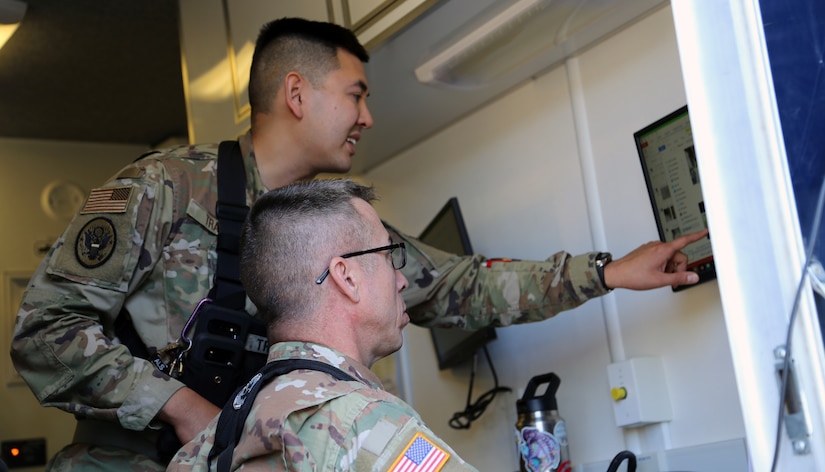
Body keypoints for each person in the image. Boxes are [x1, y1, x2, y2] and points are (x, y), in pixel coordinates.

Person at [10, 16, 707, 472]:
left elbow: (459, 286)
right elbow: (45, 331)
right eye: (356, 95)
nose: (367, 117)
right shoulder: (163, 188)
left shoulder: (336, 227)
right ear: (296, 93)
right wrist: (188, 410)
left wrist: (608, 272)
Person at [168, 178, 482, 471]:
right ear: (347, 277)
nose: (401, 281)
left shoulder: (210, 440)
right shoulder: (363, 423)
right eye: (390, 256)